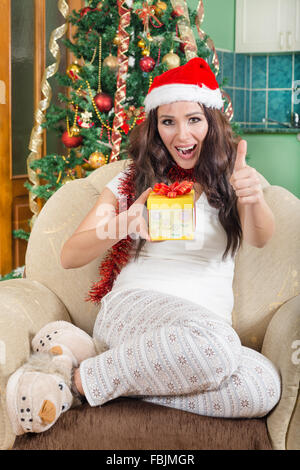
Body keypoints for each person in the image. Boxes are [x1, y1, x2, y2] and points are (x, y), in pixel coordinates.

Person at [6, 58, 281, 435]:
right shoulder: (131, 180)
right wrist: (122, 223)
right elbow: (69, 255)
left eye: (194, 120)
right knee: (219, 347)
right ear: (155, 127)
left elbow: (260, 237)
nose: (182, 135)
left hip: (205, 332)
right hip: (133, 310)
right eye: (168, 122)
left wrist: (252, 197)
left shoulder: (232, 179)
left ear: (212, 123)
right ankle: (79, 381)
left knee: (263, 386)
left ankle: (109, 374)